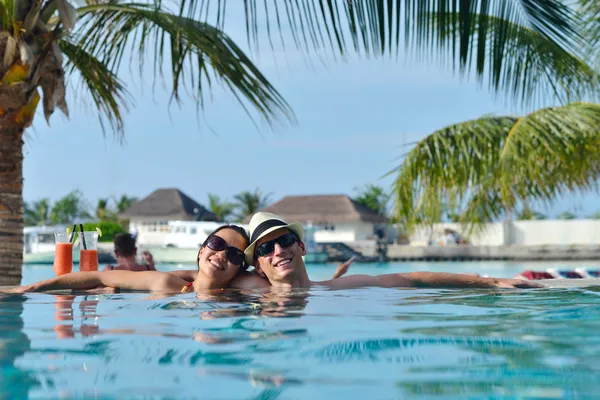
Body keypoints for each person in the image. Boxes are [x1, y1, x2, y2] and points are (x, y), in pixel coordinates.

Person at [9, 225, 353, 294]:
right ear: (202, 249)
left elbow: (288, 285)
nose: (222, 254)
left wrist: (333, 281)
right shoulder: (166, 282)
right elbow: (100, 277)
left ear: (241, 267)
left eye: (234, 253)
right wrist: (25, 289)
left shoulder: (243, 287)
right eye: (216, 244)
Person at [243, 212, 544, 290]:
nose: (278, 249)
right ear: (258, 266)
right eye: (266, 248)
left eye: (285, 240)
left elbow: (413, 279)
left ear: (302, 246)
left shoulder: (336, 289)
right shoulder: (250, 292)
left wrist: (491, 282)